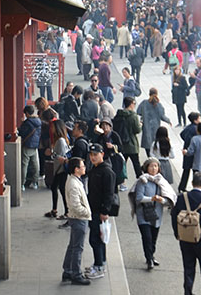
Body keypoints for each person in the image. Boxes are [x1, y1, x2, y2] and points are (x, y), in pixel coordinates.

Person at [130, 157, 176, 270]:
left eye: (156, 166)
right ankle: (149, 258)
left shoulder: (162, 181)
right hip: (143, 214)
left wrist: (162, 200)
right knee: (147, 237)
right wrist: (152, 199)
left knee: (154, 238)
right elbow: (139, 198)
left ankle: (151, 255)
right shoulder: (142, 181)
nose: (154, 168)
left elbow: (168, 198)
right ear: (146, 168)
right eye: (151, 166)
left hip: (156, 214)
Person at [86, 143, 117, 280]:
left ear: (102, 154)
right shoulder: (95, 169)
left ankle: (99, 266)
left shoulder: (107, 172)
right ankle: (99, 263)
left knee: (96, 239)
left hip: (99, 211)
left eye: (95, 154)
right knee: (98, 238)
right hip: (93, 209)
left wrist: (105, 211)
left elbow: (109, 194)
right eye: (91, 155)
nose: (93, 157)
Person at [62, 158, 92, 285]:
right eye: (82, 166)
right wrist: (87, 212)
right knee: (78, 248)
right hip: (79, 218)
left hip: (76, 218)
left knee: (72, 246)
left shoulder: (73, 180)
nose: (84, 168)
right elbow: (75, 206)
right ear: (76, 169)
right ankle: (76, 274)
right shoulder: (74, 185)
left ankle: (67, 270)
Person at [114, 96, 144, 182]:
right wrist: (140, 126)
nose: (134, 105)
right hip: (131, 143)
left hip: (121, 143)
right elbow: (137, 130)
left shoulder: (119, 114)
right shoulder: (133, 116)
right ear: (131, 104)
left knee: (122, 164)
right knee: (136, 164)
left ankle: (120, 181)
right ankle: (141, 180)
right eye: (134, 103)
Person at [47, 119, 72, 219]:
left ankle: (66, 211)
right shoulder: (61, 139)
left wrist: (51, 154)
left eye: (53, 127)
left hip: (60, 169)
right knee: (57, 188)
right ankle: (57, 210)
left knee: (60, 189)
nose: (51, 129)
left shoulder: (60, 141)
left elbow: (61, 156)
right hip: (59, 169)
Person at [137, 88, 171, 159]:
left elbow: (138, 111)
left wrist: (144, 115)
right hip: (156, 127)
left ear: (149, 94)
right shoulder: (158, 105)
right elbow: (162, 116)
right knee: (155, 143)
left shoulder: (144, 103)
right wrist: (168, 121)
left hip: (146, 127)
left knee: (147, 143)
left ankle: (149, 157)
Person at [18, 105, 42, 191]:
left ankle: (22, 184)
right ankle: (35, 182)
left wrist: (21, 124)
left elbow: (22, 133)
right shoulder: (38, 121)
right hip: (35, 145)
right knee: (35, 164)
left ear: (27, 113)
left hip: (28, 145)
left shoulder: (27, 122)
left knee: (24, 165)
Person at [178, 112, 201, 192]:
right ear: (195, 120)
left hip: (186, 150)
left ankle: (182, 186)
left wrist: (186, 142)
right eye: (199, 118)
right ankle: (197, 185)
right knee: (196, 171)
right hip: (193, 152)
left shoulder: (188, 127)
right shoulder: (196, 129)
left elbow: (181, 134)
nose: (200, 120)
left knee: (186, 170)